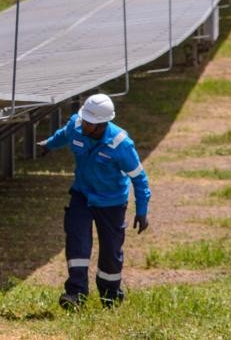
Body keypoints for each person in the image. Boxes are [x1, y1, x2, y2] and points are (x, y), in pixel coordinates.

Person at [38, 93, 151, 309]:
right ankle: (76, 294)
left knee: (111, 250)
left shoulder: (121, 145)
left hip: (111, 203)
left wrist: (142, 211)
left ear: (102, 124)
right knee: (77, 240)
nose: (84, 125)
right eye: (84, 120)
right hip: (82, 195)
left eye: (89, 123)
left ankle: (110, 296)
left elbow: (139, 178)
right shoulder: (77, 125)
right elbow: (64, 135)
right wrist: (49, 145)